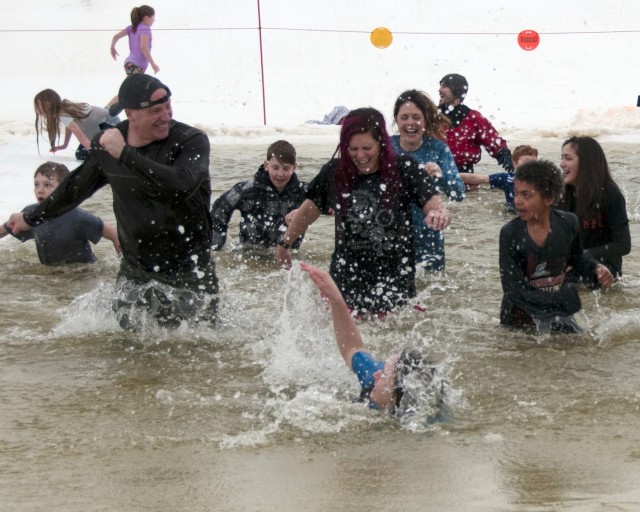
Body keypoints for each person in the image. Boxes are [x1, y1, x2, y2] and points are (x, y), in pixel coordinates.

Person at [8, 74, 216, 330]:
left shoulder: (190, 140)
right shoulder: (107, 146)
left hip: (190, 266)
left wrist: (126, 155)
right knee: (127, 349)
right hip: (136, 268)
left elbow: (180, 185)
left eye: (168, 107)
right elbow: (73, 190)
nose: (166, 116)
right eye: (155, 111)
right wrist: (30, 218)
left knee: (199, 348)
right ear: (131, 114)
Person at [276, 107, 451, 317]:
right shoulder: (334, 172)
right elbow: (307, 212)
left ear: (382, 143)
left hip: (396, 287)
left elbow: (434, 204)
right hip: (346, 284)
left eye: (367, 147)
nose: (360, 156)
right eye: (353, 148)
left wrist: (439, 213)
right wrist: (285, 244)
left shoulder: (404, 169)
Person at [300, 262, 443, 416]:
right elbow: (352, 348)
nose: (376, 373)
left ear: (395, 398)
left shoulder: (416, 422)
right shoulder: (375, 382)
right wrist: (335, 298)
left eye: (383, 375)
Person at [499, 160, 613, 333]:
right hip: (518, 319)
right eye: (516, 194)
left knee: (584, 343)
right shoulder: (510, 233)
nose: (517, 201)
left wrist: (596, 267)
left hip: (557, 310)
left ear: (549, 198)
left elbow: (577, 257)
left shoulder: (568, 223)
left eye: (526, 195)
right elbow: (512, 288)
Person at [390, 89, 465, 271]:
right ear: (396, 120)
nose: (410, 123)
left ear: (424, 120)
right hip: (391, 236)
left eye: (416, 117)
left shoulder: (438, 149)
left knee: (433, 294)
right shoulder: (386, 147)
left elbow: (458, 193)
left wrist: (441, 174)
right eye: (404, 117)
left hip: (428, 238)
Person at [0, 162, 120, 265]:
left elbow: (115, 236)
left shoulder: (78, 217)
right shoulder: (30, 215)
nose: (40, 190)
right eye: (36, 184)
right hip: (51, 276)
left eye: (47, 185)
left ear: (63, 189)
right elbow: (4, 229)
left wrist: (123, 265)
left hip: (83, 274)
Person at [211, 140, 307, 251]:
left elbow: (328, 205)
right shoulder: (246, 190)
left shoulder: (304, 192)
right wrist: (217, 246)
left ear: (294, 167)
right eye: (275, 167)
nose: (280, 174)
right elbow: (219, 210)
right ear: (267, 165)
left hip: (289, 255)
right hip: (249, 255)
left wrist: (303, 211)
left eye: (286, 168)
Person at [558, 136, 631, 281]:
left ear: (586, 163)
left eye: (568, 158)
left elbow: (623, 245)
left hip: (604, 271)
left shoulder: (610, 195)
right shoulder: (563, 194)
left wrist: (583, 256)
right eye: (561, 158)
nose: (561, 164)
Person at [438, 73, 513, 174]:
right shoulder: (431, 116)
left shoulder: (473, 118)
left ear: (456, 89)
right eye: (440, 86)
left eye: (444, 86)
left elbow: (491, 138)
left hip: (464, 174)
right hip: (433, 172)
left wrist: (502, 152)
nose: (439, 90)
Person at [34, 89, 120, 161]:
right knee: (81, 154)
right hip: (104, 123)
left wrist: (95, 154)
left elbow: (80, 136)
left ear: (48, 105)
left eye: (38, 107)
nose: (37, 111)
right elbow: (70, 127)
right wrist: (65, 145)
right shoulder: (64, 109)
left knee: (83, 154)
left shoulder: (62, 114)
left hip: (109, 124)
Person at [460, 144, 538, 212]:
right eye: (527, 161)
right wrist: (453, 176)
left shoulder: (541, 180)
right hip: (511, 213)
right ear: (515, 164)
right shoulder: (506, 179)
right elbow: (479, 178)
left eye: (534, 162)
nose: (531, 165)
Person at [110, 5, 159, 76]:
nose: (154, 20)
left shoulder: (131, 27)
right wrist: (153, 64)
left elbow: (115, 37)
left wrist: (112, 47)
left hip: (129, 64)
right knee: (141, 86)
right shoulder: (145, 28)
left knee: (137, 86)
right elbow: (143, 48)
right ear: (147, 18)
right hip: (136, 65)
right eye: (153, 17)